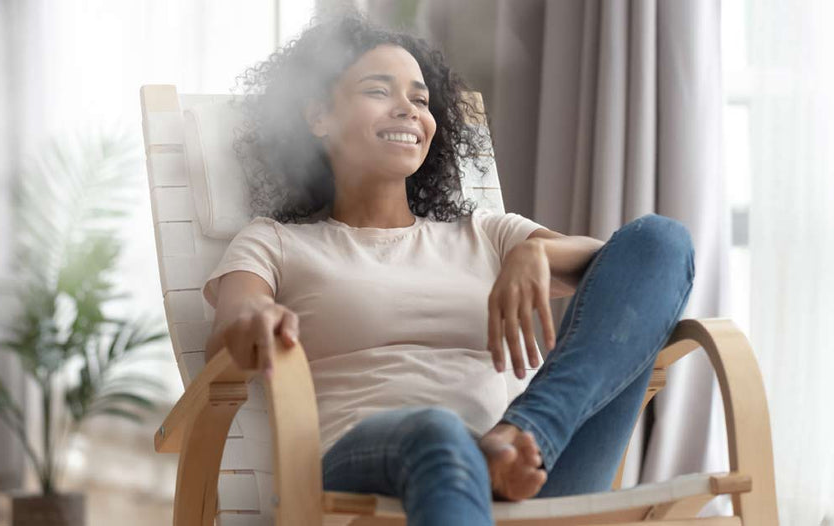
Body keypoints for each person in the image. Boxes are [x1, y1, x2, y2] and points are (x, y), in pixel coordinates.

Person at [202, 11, 694, 526]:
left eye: (420, 98)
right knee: (438, 431)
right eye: (379, 91)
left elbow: (639, 266)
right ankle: (496, 451)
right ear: (319, 117)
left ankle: (524, 435)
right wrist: (255, 320)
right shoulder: (277, 241)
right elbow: (232, 324)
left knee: (663, 237)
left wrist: (534, 252)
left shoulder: (486, 233)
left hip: (525, 474)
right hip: (363, 470)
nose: (408, 110)